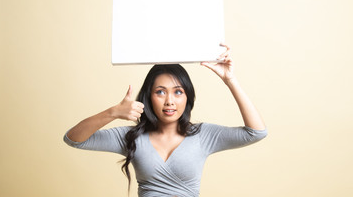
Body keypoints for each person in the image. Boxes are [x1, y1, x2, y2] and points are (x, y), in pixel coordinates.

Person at [63, 44, 267, 197]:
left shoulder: (204, 135)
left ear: (187, 97)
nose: (169, 101)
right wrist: (113, 112)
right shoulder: (131, 137)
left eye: (178, 92)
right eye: (160, 92)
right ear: (148, 96)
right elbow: (74, 139)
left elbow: (256, 132)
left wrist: (230, 80)